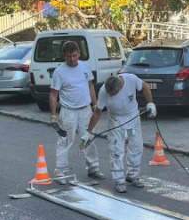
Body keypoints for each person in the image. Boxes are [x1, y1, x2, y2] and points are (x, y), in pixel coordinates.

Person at [86, 73, 157, 193]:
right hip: (116, 120)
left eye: (113, 94)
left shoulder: (131, 79)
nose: (111, 95)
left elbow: (145, 86)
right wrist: (89, 132)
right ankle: (119, 181)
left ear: (120, 88)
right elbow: (98, 112)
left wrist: (150, 103)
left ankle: (133, 175)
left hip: (133, 117)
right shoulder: (104, 91)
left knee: (136, 147)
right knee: (116, 151)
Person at [49, 41, 104, 182]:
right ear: (64, 56)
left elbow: (91, 86)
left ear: (79, 54)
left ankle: (93, 169)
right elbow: (53, 94)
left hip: (85, 110)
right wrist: (54, 115)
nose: (72, 59)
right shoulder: (59, 72)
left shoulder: (85, 67)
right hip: (68, 112)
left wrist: (95, 104)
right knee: (65, 140)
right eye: (68, 57)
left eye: (74, 56)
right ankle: (61, 171)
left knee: (88, 138)